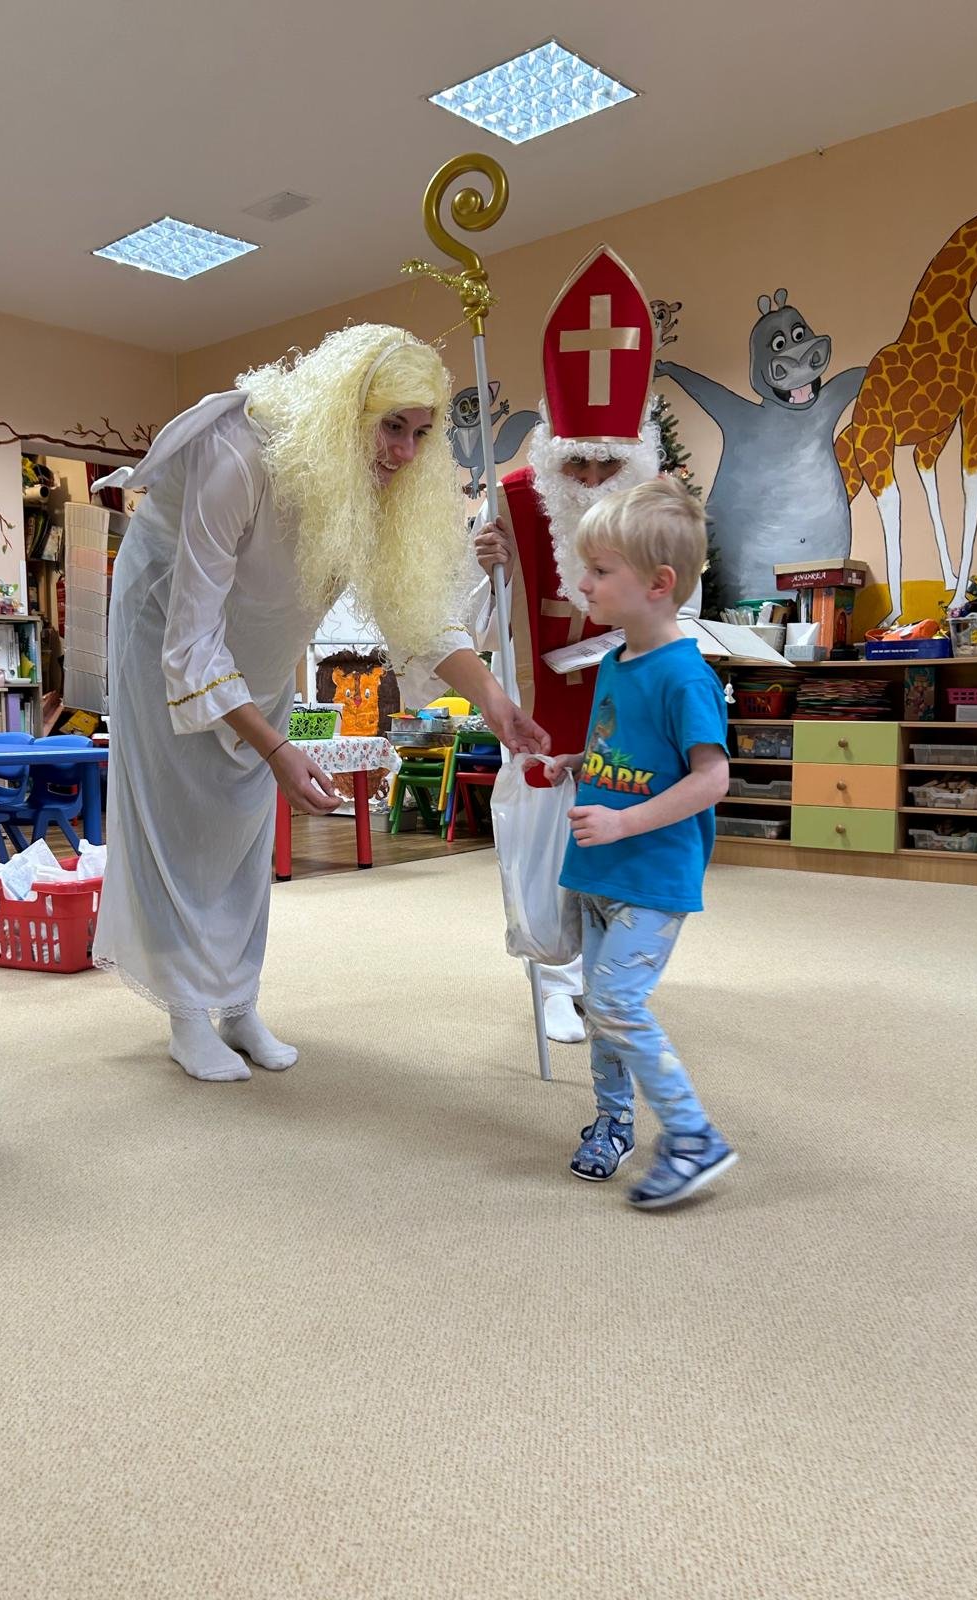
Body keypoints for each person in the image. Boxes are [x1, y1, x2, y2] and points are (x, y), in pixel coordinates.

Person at [93, 324, 548, 1083]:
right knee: (182, 822)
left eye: (421, 433)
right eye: (392, 426)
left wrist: (496, 703)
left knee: (243, 827)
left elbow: (418, 616)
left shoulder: (381, 488)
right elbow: (192, 641)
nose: (405, 452)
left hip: (264, 647)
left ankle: (237, 1002)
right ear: (346, 410)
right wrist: (277, 747)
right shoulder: (239, 451)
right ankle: (186, 1013)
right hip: (165, 631)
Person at [470, 246, 701, 1044]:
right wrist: (492, 573)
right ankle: (552, 978)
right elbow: (477, 629)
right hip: (543, 705)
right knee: (543, 849)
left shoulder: (655, 509)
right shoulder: (511, 502)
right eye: (579, 460)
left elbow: (682, 603)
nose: (595, 477)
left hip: (628, 701)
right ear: (553, 449)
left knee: (621, 840)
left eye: (609, 461)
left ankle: (605, 973)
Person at [551, 476, 737, 1209]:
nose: (583, 583)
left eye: (600, 571)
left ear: (659, 584)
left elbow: (712, 779)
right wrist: (577, 764)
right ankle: (614, 1121)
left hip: (651, 876)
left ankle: (693, 1137)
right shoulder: (613, 662)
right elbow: (621, 750)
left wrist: (624, 822)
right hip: (599, 867)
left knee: (617, 1004)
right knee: (601, 1008)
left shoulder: (685, 677)